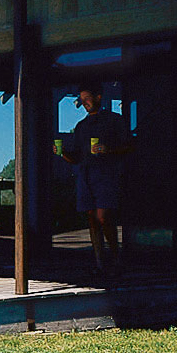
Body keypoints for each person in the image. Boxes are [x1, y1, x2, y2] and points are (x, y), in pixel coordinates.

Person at [58, 84, 132, 273]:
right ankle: (99, 263)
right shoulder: (81, 126)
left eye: (87, 99)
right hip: (85, 176)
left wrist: (108, 149)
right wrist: (62, 153)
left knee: (103, 216)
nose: (84, 103)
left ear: (98, 97)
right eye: (82, 100)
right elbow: (76, 157)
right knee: (91, 217)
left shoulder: (114, 120)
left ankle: (116, 258)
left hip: (106, 174)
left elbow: (129, 146)